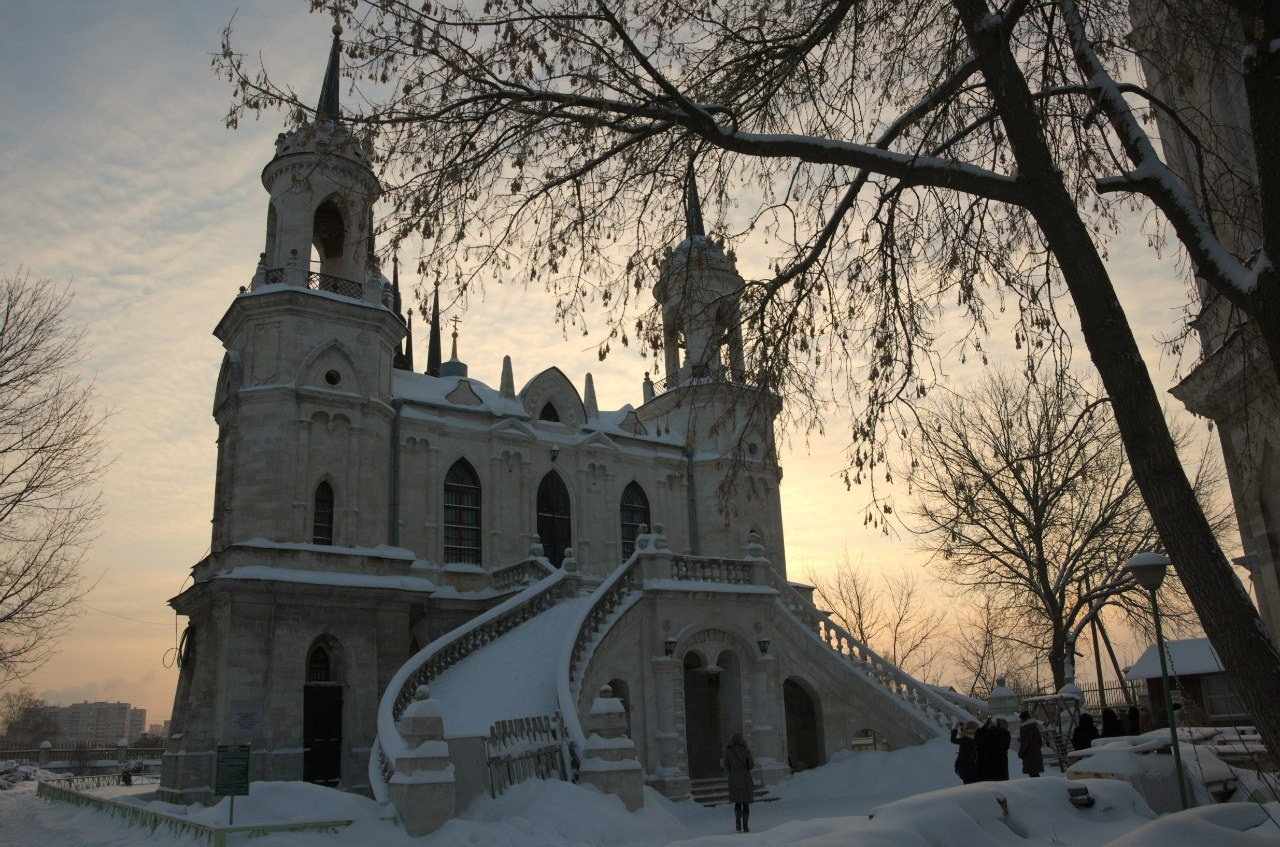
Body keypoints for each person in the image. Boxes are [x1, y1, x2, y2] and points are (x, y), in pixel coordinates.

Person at [724, 732, 755, 833]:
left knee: (737, 801)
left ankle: (738, 824)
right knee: (745, 802)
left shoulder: (728, 752)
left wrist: (733, 770)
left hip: (734, 779)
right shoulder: (746, 751)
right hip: (745, 778)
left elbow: (726, 766)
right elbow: (751, 765)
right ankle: (746, 826)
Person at [1018, 710, 1044, 778]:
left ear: (1024, 719)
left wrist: (1020, 754)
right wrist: (1036, 748)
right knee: (1036, 774)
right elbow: (1040, 742)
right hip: (1037, 753)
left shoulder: (1024, 728)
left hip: (1029, 755)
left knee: (1032, 775)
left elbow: (1025, 744)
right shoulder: (1035, 726)